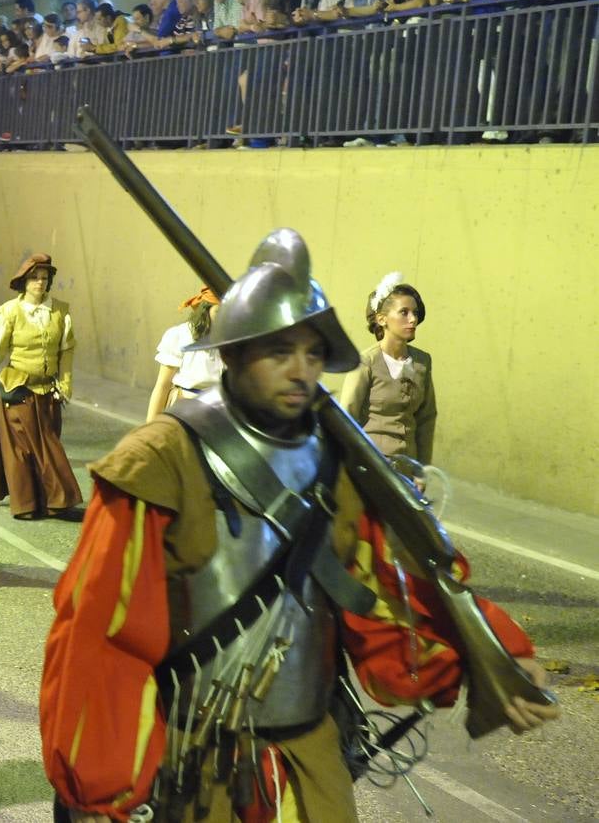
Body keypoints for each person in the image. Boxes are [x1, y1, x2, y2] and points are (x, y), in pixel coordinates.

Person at [40, 229, 557, 823]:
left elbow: (388, 585)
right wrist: (106, 786)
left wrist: (496, 649)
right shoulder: (161, 457)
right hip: (193, 760)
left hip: (307, 758)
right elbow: (102, 631)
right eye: (279, 351)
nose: (300, 370)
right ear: (232, 354)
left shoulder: (335, 459)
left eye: (313, 353)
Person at [0, 254, 83, 520]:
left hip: (48, 392)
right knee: (24, 450)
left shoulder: (60, 312)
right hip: (18, 391)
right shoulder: (9, 312)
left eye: (44, 278)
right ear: (23, 282)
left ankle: (47, 500)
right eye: (34, 278)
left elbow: (66, 352)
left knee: (47, 443)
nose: (39, 283)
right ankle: (30, 503)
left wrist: (65, 384)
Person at [339, 273, 437, 465]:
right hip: (371, 465)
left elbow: (426, 419)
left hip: (407, 469)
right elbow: (346, 420)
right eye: (404, 312)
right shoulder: (365, 363)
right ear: (382, 319)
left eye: (415, 313)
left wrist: (422, 470)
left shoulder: (422, 362)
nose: (413, 319)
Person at [144, 287, 223, 422]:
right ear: (206, 309)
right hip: (185, 410)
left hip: (221, 413)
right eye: (218, 311)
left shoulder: (233, 338)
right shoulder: (181, 335)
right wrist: (149, 426)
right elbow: (163, 385)